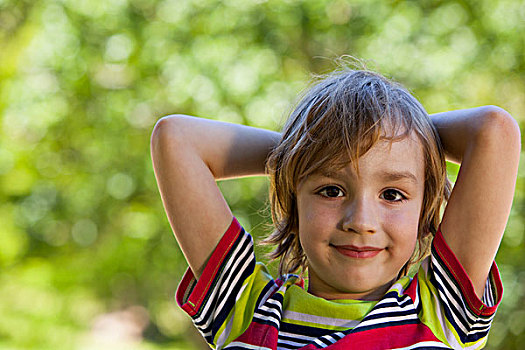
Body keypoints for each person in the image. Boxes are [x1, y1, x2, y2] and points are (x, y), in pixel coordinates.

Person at [150, 68, 520, 349]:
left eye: (392, 194)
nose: (360, 221)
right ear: (294, 204)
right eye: (331, 189)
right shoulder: (244, 307)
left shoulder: (440, 310)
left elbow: (495, 131)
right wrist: (304, 149)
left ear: (424, 216)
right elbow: (175, 138)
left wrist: (409, 137)